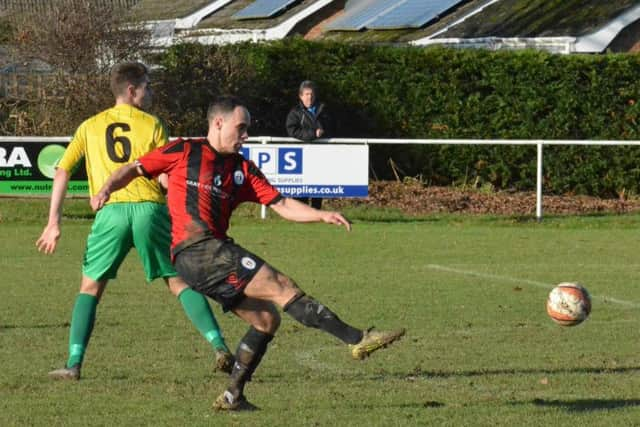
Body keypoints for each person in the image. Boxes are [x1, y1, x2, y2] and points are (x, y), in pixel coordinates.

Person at [90, 95, 405, 411]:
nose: (246, 136)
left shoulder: (242, 169)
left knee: (267, 320)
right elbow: (133, 168)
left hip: (201, 261)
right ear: (218, 123)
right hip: (199, 250)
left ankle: (232, 396)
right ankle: (357, 339)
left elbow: (280, 204)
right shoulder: (185, 150)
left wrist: (320, 214)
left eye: (248, 130)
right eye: (241, 128)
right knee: (282, 286)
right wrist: (106, 188)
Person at [35, 62, 233, 381]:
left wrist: (53, 222)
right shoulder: (153, 125)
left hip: (111, 212)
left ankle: (73, 364)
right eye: (147, 87)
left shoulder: (90, 126)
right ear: (131, 90)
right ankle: (220, 346)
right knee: (179, 280)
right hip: (149, 211)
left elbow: (62, 171)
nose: (150, 92)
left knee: (90, 287)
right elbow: (168, 177)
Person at [285, 80, 331, 209]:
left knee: (318, 185)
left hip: (320, 154)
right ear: (300, 96)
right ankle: (301, 212)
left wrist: (323, 132)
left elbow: (332, 127)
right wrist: (312, 134)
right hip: (301, 155)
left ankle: (316, 212)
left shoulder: (324, 110)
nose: (309, 97)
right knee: (301, 185)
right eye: (306, 94)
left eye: (311, 94)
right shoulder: (295, 112)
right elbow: (292, 130)